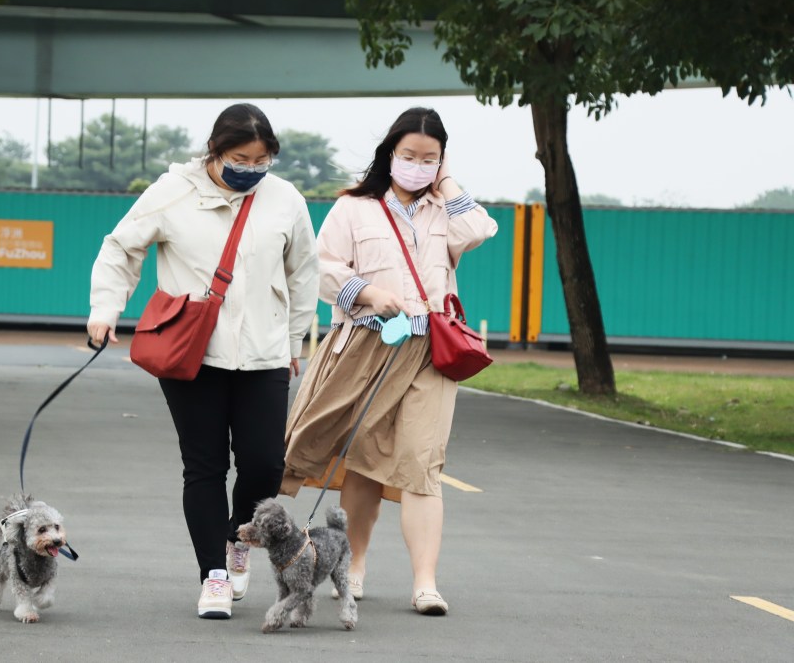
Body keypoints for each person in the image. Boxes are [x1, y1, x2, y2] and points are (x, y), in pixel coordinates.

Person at [87, 103, 319, 619]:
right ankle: (214, 573)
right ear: (215, 150)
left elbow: (304, 271)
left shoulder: (284, 199)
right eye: (241, 157)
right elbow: (121, 248)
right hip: (192, 353)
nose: (252, 169)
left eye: (262, 160)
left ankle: (239, 538)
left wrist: (294, 339)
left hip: (263, 353)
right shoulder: (173, 191)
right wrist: (105, 308)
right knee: (205, 466)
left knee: (264, 464)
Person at [279, 107, 499, 615]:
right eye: (409, 156)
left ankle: (425, 583)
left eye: (430, 158)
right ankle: (353, 568)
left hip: (431, 351)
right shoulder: (354, 208)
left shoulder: (447, 210)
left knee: (423, 465)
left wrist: (448, 182)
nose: (418, 166)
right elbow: (321, 268)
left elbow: (481, 229)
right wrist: (368, 292)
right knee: (365, 462)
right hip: (369, 346)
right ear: (390, 154)